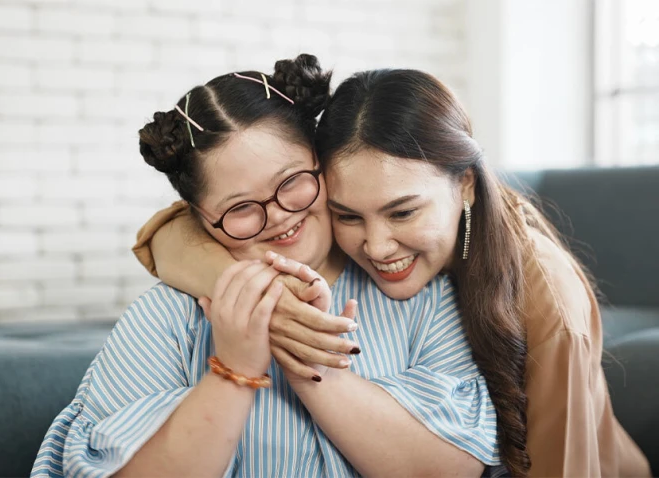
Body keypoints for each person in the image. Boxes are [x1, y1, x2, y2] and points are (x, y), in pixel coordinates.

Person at [135, 63, 652, 477]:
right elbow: (171, 231)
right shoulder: (287, 218)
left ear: (466, 185)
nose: (377, 247)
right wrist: (268, 308)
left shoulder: (548, 303)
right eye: (348, 215)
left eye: (403, 211)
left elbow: (562, 463)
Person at [31, 55, 501, 478]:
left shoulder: (424, 297)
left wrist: (309, 364)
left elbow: (450, 469)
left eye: (292, 182)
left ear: (323, 164)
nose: (277, 216)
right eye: (240, 208)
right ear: (200, 220)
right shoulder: (169, 318)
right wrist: (232, 371)